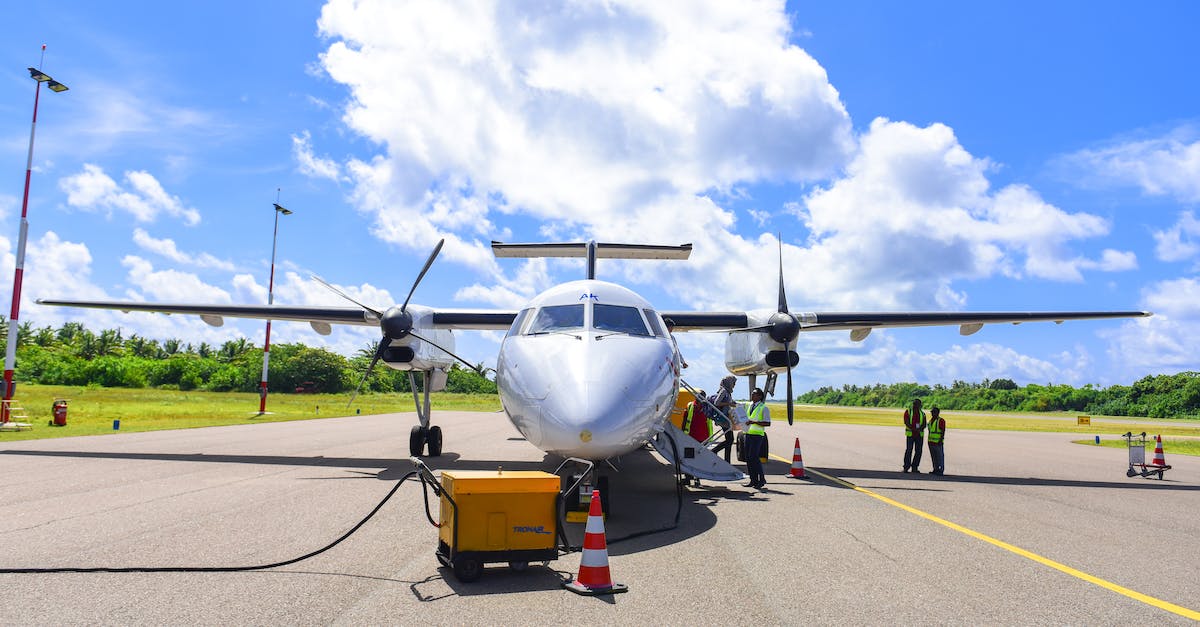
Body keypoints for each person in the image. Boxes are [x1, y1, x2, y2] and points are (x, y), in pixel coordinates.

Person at [681, 390, 711, 487]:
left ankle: (697, 478)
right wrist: (682, 434)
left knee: (699, 459)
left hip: (703, 437)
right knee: (688, 458)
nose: (699, 398)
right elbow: (685, 419)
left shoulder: (708, 407)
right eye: (698, 396)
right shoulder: (690, 405)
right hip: (690, 436)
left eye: (702, 397)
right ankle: (688, 478)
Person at [742, 387, 771, 488]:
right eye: (752, 394)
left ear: (759, 396)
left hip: (757, 436)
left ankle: (761, 479)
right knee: (749, 458)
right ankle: (753, 480)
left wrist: (753, 422)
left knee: (754, 457)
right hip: (748, 434)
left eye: (754, 394)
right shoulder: (749, 405)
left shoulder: (764, 408)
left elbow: (768, 423)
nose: (752, 395)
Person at [710, 376, 737, 462]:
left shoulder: (728, 392)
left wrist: (731, 403)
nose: (734, 385)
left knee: (729, 440)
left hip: (727, 418)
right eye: (733, 383)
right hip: (724, 419)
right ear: (729, 383)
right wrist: (729, 403)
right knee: (730, 440)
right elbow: (717, 403)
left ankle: (727, 461)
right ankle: (714, 451)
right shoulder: (724, 391)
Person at [903, 398, 926, 474]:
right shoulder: (908, 412)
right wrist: (913, 429)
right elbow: (906, 422)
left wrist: (919, 429)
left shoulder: (922, 413)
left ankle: (915, 467)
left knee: (918, 451)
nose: (915, 405)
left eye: (917, 404)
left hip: (919, 435)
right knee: (909, 450)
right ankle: (906, 467)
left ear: (920, 405)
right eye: (914, 404)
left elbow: (924, 424)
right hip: (911, 434)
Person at [926, 406, 946, 475]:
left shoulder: (940, 420)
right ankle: (935, 469)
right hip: (931, 442)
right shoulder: (930, 421)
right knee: (934, 457)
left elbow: (943, 431)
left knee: (939, 456)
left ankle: (940, 470)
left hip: (938, 442)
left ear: (938, 413)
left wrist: (941, 440)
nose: (932, 413)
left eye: (934, 412)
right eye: (932, 412)